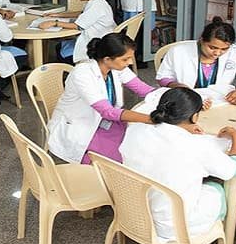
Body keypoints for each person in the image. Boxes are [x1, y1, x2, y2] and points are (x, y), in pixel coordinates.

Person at [120, 87, 236, 244]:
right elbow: (234, 169)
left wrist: (183, 129)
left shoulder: (135, 130)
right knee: (217, 189)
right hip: (172, 224)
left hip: (133, 212)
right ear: (195, 117)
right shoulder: (197, 146)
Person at [47, 32, 155, 164]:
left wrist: (168, 95)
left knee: (138, 144)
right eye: (125, 59)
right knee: (118, 162)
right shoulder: (82, 74)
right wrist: (150, 119)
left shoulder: (116, 67)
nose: (130, 62)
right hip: (80, 127)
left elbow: (143, 89)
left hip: (104, 122)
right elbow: (107, 111)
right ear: (107, 59)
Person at [156, 17, 236, 105]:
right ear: (201, 40)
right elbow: (163, 77)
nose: (217, 53)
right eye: (212, 47)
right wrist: (179, 87)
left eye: (224, 49)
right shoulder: (178, 51)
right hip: (185, 101)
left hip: (220, 102)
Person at [38, 0, 117, 64]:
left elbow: (78, 26)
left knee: (60, 50)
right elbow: (82, 13)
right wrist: (57, 15)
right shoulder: (97, 1)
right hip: (102, 40)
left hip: (96, 46)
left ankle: (69, 70)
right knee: (60, 46)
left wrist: (54, 23)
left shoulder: (96, 5)